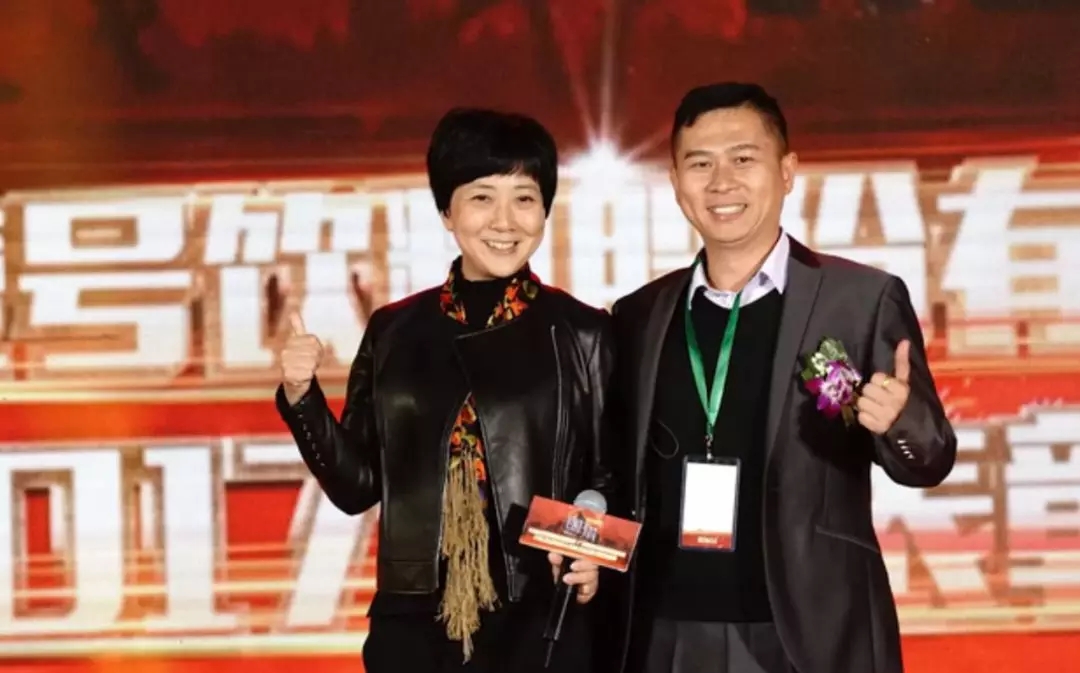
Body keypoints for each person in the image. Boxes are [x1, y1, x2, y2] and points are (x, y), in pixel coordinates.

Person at [605, 82, 957, 673]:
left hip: (809, 631)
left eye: (743, 159)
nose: (722, 182)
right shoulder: (639, 315)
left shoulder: (860, 300)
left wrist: (901, 422)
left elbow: (929, 461)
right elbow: (618, 474)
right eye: (700, 164)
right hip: (665, 634)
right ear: (676, 182)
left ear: (787, 171)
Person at [275, 108, 614, 672]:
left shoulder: (582, 332)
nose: (505, 220)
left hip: (539, 619)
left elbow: (608, 477)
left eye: (524, 198)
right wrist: (300, 394)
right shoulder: (395, 330)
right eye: (482, 197)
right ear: (446, 212)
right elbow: (357, 487)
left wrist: (584, 554)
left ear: (545, 210)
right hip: (415, 622)